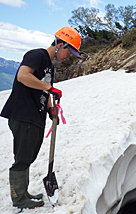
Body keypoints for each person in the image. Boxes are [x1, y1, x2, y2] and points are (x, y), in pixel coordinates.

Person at [0, 27, 82, 210]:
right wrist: (50, 88)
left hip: (35, 116)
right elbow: (23, 76)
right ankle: (19, 198)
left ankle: (24, 193)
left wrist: (51, 109)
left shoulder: (50, 68)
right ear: (60, 44)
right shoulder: (37, 55)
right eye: (69, 52)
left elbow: (45, 91)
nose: (69, 57)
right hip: (23, 114)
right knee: (22, 157)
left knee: (28, 155)